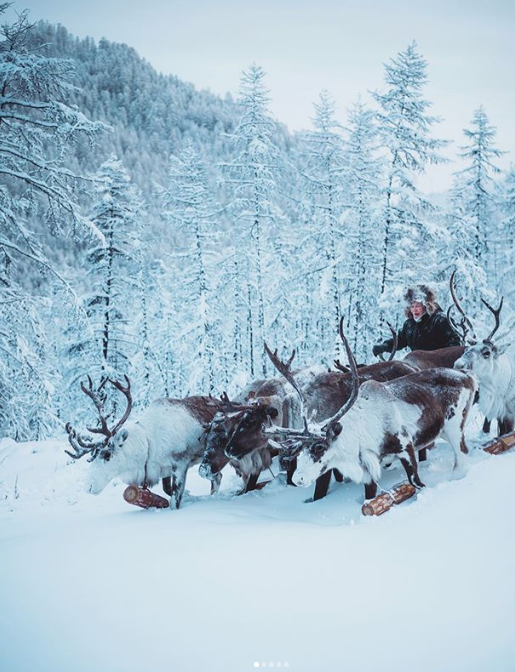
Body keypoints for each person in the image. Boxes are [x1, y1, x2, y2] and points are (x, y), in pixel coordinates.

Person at [372, 284, 461, 356]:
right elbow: (400, 340)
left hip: (438, 367)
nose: (415, 309)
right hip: (418, 368)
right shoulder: (410, 324)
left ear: (426, 306)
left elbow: (454, 344)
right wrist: (384, 346)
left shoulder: (440, 321)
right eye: (412, 306)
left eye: (418, 306)